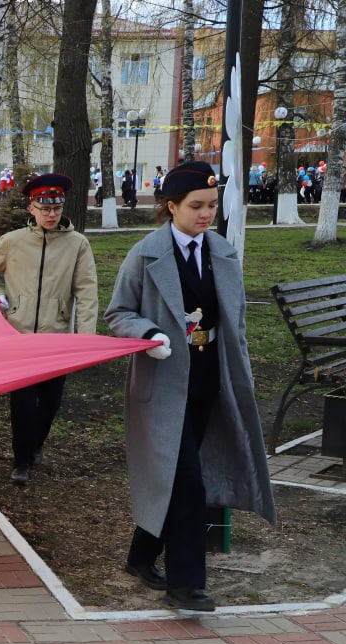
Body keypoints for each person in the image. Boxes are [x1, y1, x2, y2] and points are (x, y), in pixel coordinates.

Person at [104, 160, 276, 612]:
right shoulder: (144, 254)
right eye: (196, 206)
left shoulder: (221, 252)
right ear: (171, 206)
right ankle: (187, 585)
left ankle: (141, 555)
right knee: (187, 482)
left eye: (212, 205)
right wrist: (148, 334)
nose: (206, 214)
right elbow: (118, 312)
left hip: (210, 381)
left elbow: (232, 318)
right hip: (162, 385)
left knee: (177, 477)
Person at [0, 174, 99, 485]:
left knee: (51, 402)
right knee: (23, 402)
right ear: (32, 208)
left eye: (56, 208)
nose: (51, 214)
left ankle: (37, 443)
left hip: (55, 338)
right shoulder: (14, 242)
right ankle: (22, 461)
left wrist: (85, 340)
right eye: (45, 208)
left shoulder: (77, 244)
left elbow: (87, 292)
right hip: (19, 336)